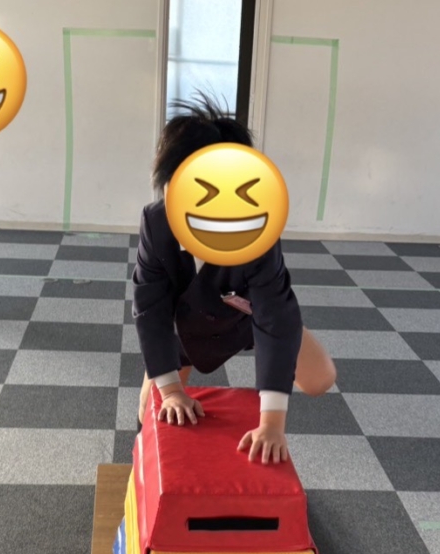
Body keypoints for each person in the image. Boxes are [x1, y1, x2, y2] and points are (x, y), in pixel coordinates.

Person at [132, 97, 336, 464]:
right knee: (153, 405)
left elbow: (273, 314)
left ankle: (285, 335)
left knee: (321, 378)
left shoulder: (257, 231)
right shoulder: (156, 223)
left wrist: (271, 423)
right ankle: (145, 472)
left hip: (246, 316)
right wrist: (171, 389)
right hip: (183, 325)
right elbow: (150, 310)